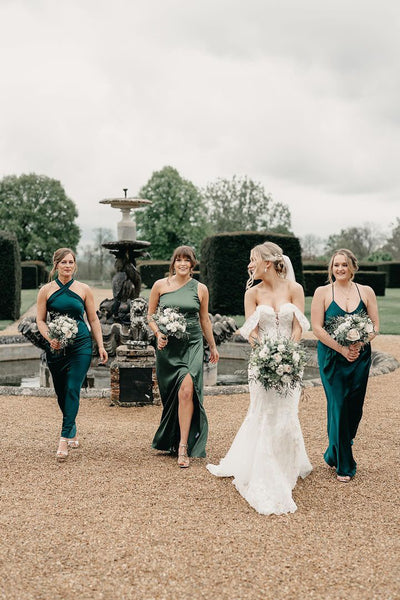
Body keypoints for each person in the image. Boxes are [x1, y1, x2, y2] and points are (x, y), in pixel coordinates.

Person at [207, 242, 312, 515]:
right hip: (262, 362)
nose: (249, 265)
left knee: (287, 412)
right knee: (264, 412)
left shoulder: (295, 289)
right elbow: (251, 331)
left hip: (290, 361)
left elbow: (299, 325)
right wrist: (266, 353)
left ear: (267, 262)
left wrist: (287, 354)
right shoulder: (252, 293)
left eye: (252, 260)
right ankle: (265, 468)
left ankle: (286, 462)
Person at [147, 246, 219, 468]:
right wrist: (158, 333)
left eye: (187, 260)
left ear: (192, 264)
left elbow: (204, 320)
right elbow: (150, 315)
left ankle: (183, 446)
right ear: (173, 263)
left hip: (193, 345)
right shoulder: (160, 285)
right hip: (168, 348)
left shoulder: (201, 289)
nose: (182, 264)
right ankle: (170, 437)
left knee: (187, 390)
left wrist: (213, 346)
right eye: (178, 259)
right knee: (172, 396)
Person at [311, 248, 379, 482]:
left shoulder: (366, 291)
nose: (339, 269)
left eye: (344, 265)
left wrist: (359, 344)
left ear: (352, 267)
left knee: (354, 409)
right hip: (332, 358)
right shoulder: (322, 292)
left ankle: (333, 451)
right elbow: (317, 328)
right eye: (335, 265)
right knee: (338, 405)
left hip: (359, 358)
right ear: (331, 268)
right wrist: (340, 348)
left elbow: (375, 326)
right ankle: (345, 465)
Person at [36, 248, 108, 461]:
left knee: (72, 387)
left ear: (75, 265)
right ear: (56, 264)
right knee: (60, 391)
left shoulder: (84, 289)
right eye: (64, 262)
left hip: (81, 345)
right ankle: (72, 426)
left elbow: (93, 320)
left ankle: (63, 438)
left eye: (71, 262)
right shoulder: (46, 291)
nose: (68, 266)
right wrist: (50, 339)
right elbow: (40, 320)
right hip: (56, 346)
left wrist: (101, 346)